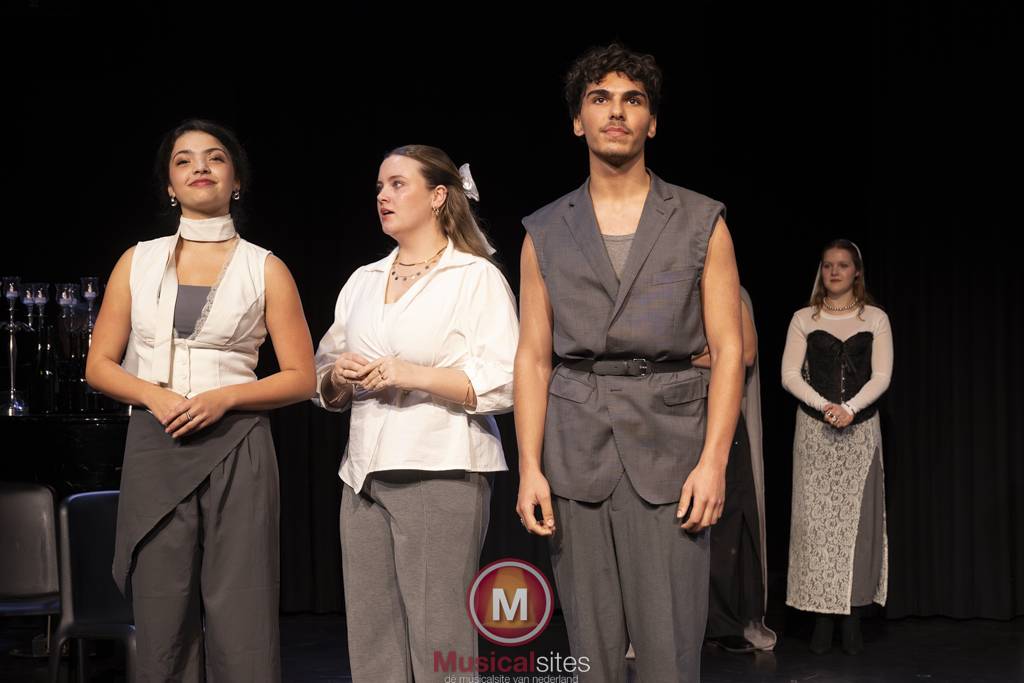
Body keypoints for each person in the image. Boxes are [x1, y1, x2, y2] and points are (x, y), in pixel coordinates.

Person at [514, 43, 743, 682]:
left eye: (632, 100)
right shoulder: (543, 230)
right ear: (577, 121)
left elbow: (728, 351)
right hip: (575, 446)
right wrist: (529, 467)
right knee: (591, 651)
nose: (616, 112)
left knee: (670, 650)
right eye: (600, 99)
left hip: (672, 447)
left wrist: (714, 463)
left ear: (652, 121)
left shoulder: (701, 220)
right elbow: (532, 358)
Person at [86, 119, 316, 682]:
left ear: (236, 180)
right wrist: (152, 396)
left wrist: (227, 398)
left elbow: (301, 377)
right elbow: (98, 365)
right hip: (156, 439)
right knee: (161, 610)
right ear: (170, 186)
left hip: (238, 441)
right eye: (184, 160)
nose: (200, 168)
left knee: (242, 608)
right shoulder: (136, 260)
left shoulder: (266, 267)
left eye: (214, 157)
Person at [312, 145, 518, 682]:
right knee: (372, 636)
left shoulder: (473, 277)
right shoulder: (363, 279)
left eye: (398, 184)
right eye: (380, 187)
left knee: (439, 633)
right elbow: (324, 371)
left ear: (438, 196)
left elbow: (506, 380)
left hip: (439, 468)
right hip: (362, 475)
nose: (383, 196)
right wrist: (338, 377)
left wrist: (412, 374)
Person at [781, 239, 892, 655]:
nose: (834, 272)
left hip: (860, 431)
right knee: (815, 528)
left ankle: (852, 619)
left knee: (857, 527)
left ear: (856, 271)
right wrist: (826, 406)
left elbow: (881, 376)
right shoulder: (803, 318)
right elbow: (789, 374)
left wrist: (850, 408)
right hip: (815, 431)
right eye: (828, 265)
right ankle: (821, 621)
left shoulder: (875, 318)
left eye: (842, 265)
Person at [698, 287, 778, 653]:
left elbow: (744, 353)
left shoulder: (730, 290)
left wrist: (688, 356)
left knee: (727, 518)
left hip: (718, 412)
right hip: (673, 414)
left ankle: (724, 621)